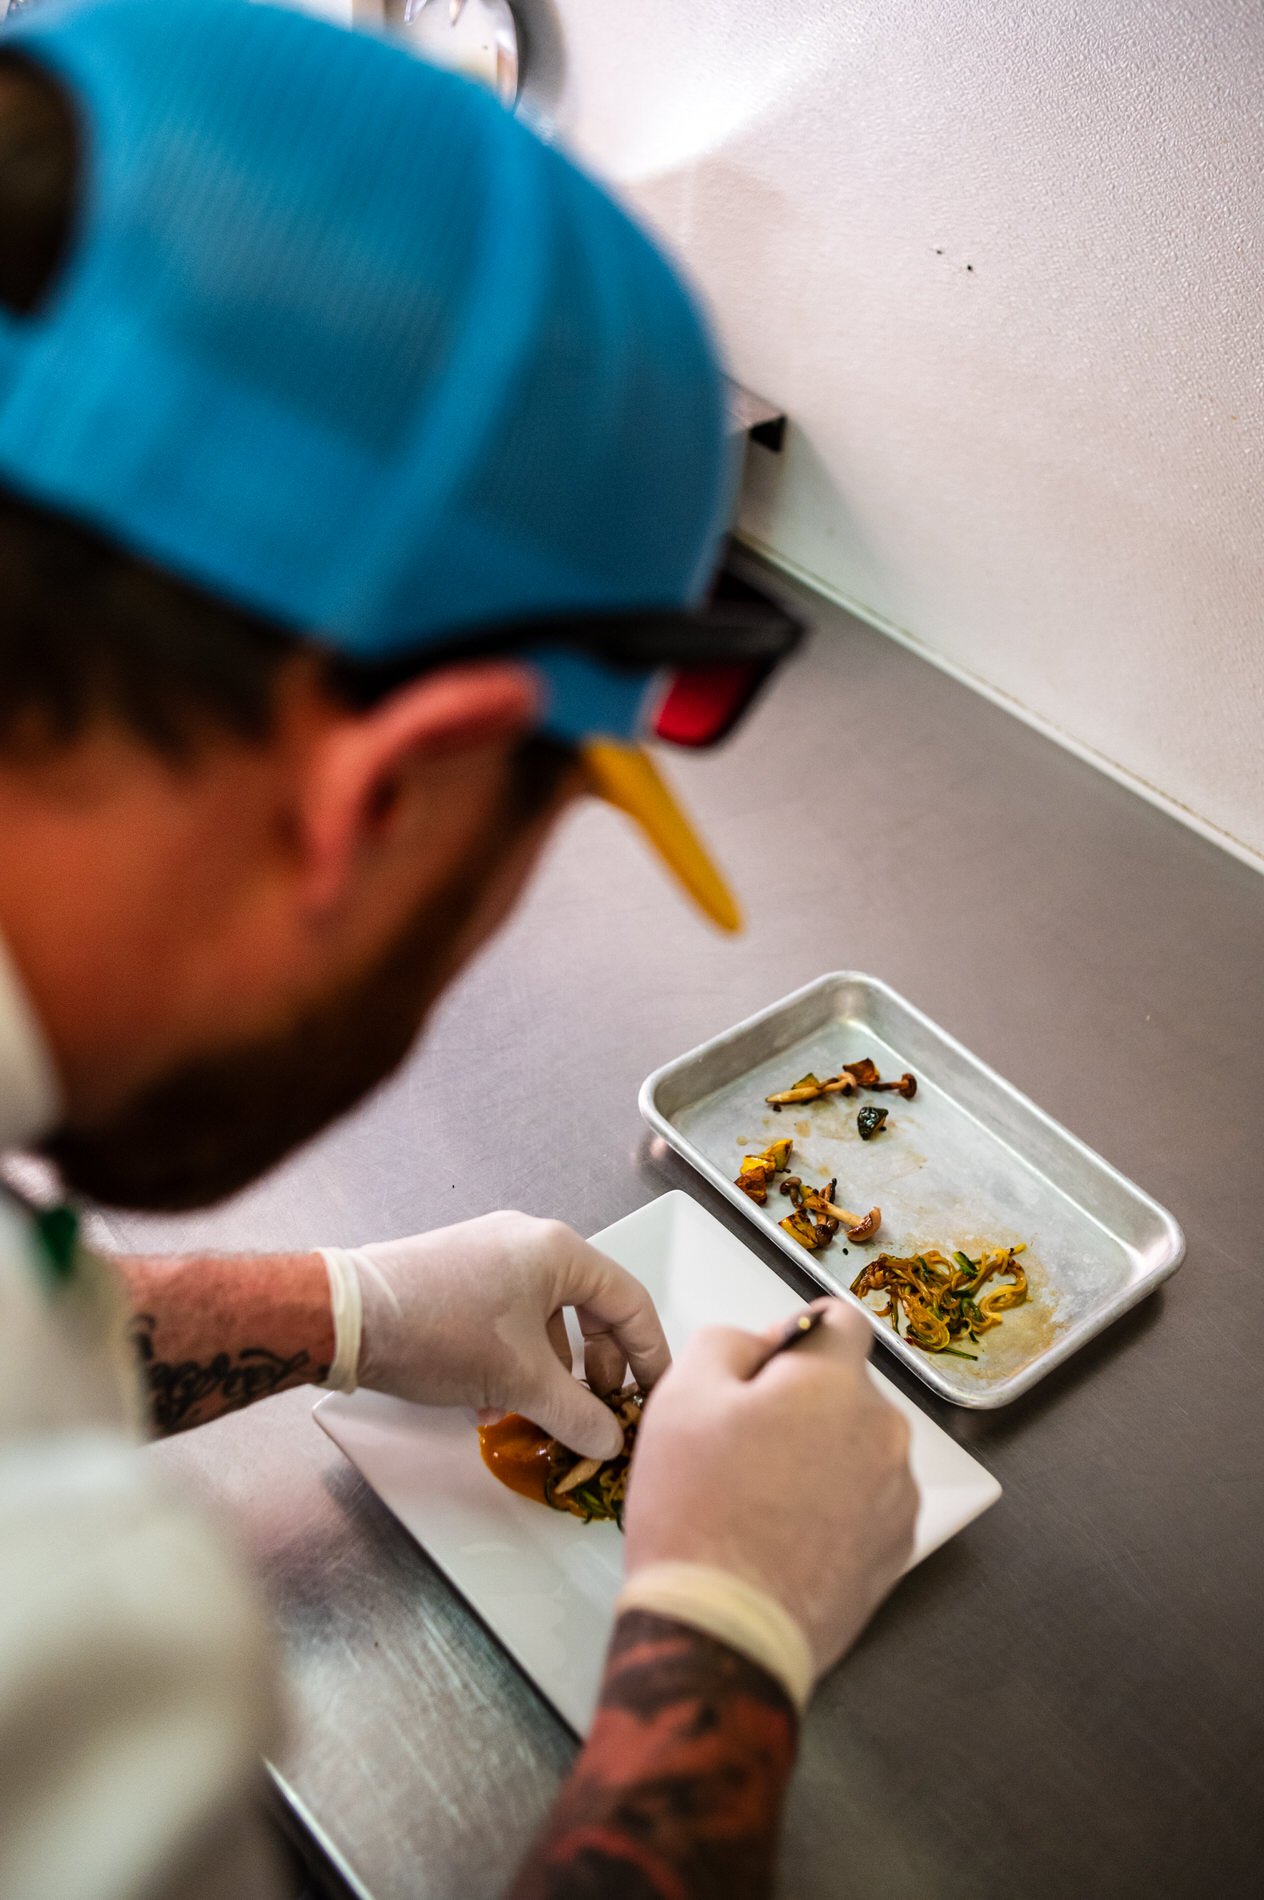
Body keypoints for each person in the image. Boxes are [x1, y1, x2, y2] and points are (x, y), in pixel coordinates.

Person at [0, 3, 917, 1897]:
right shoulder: (72, 1652)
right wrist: (723, 1632)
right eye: (529, 850)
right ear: (387, 795)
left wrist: (347, 1310)